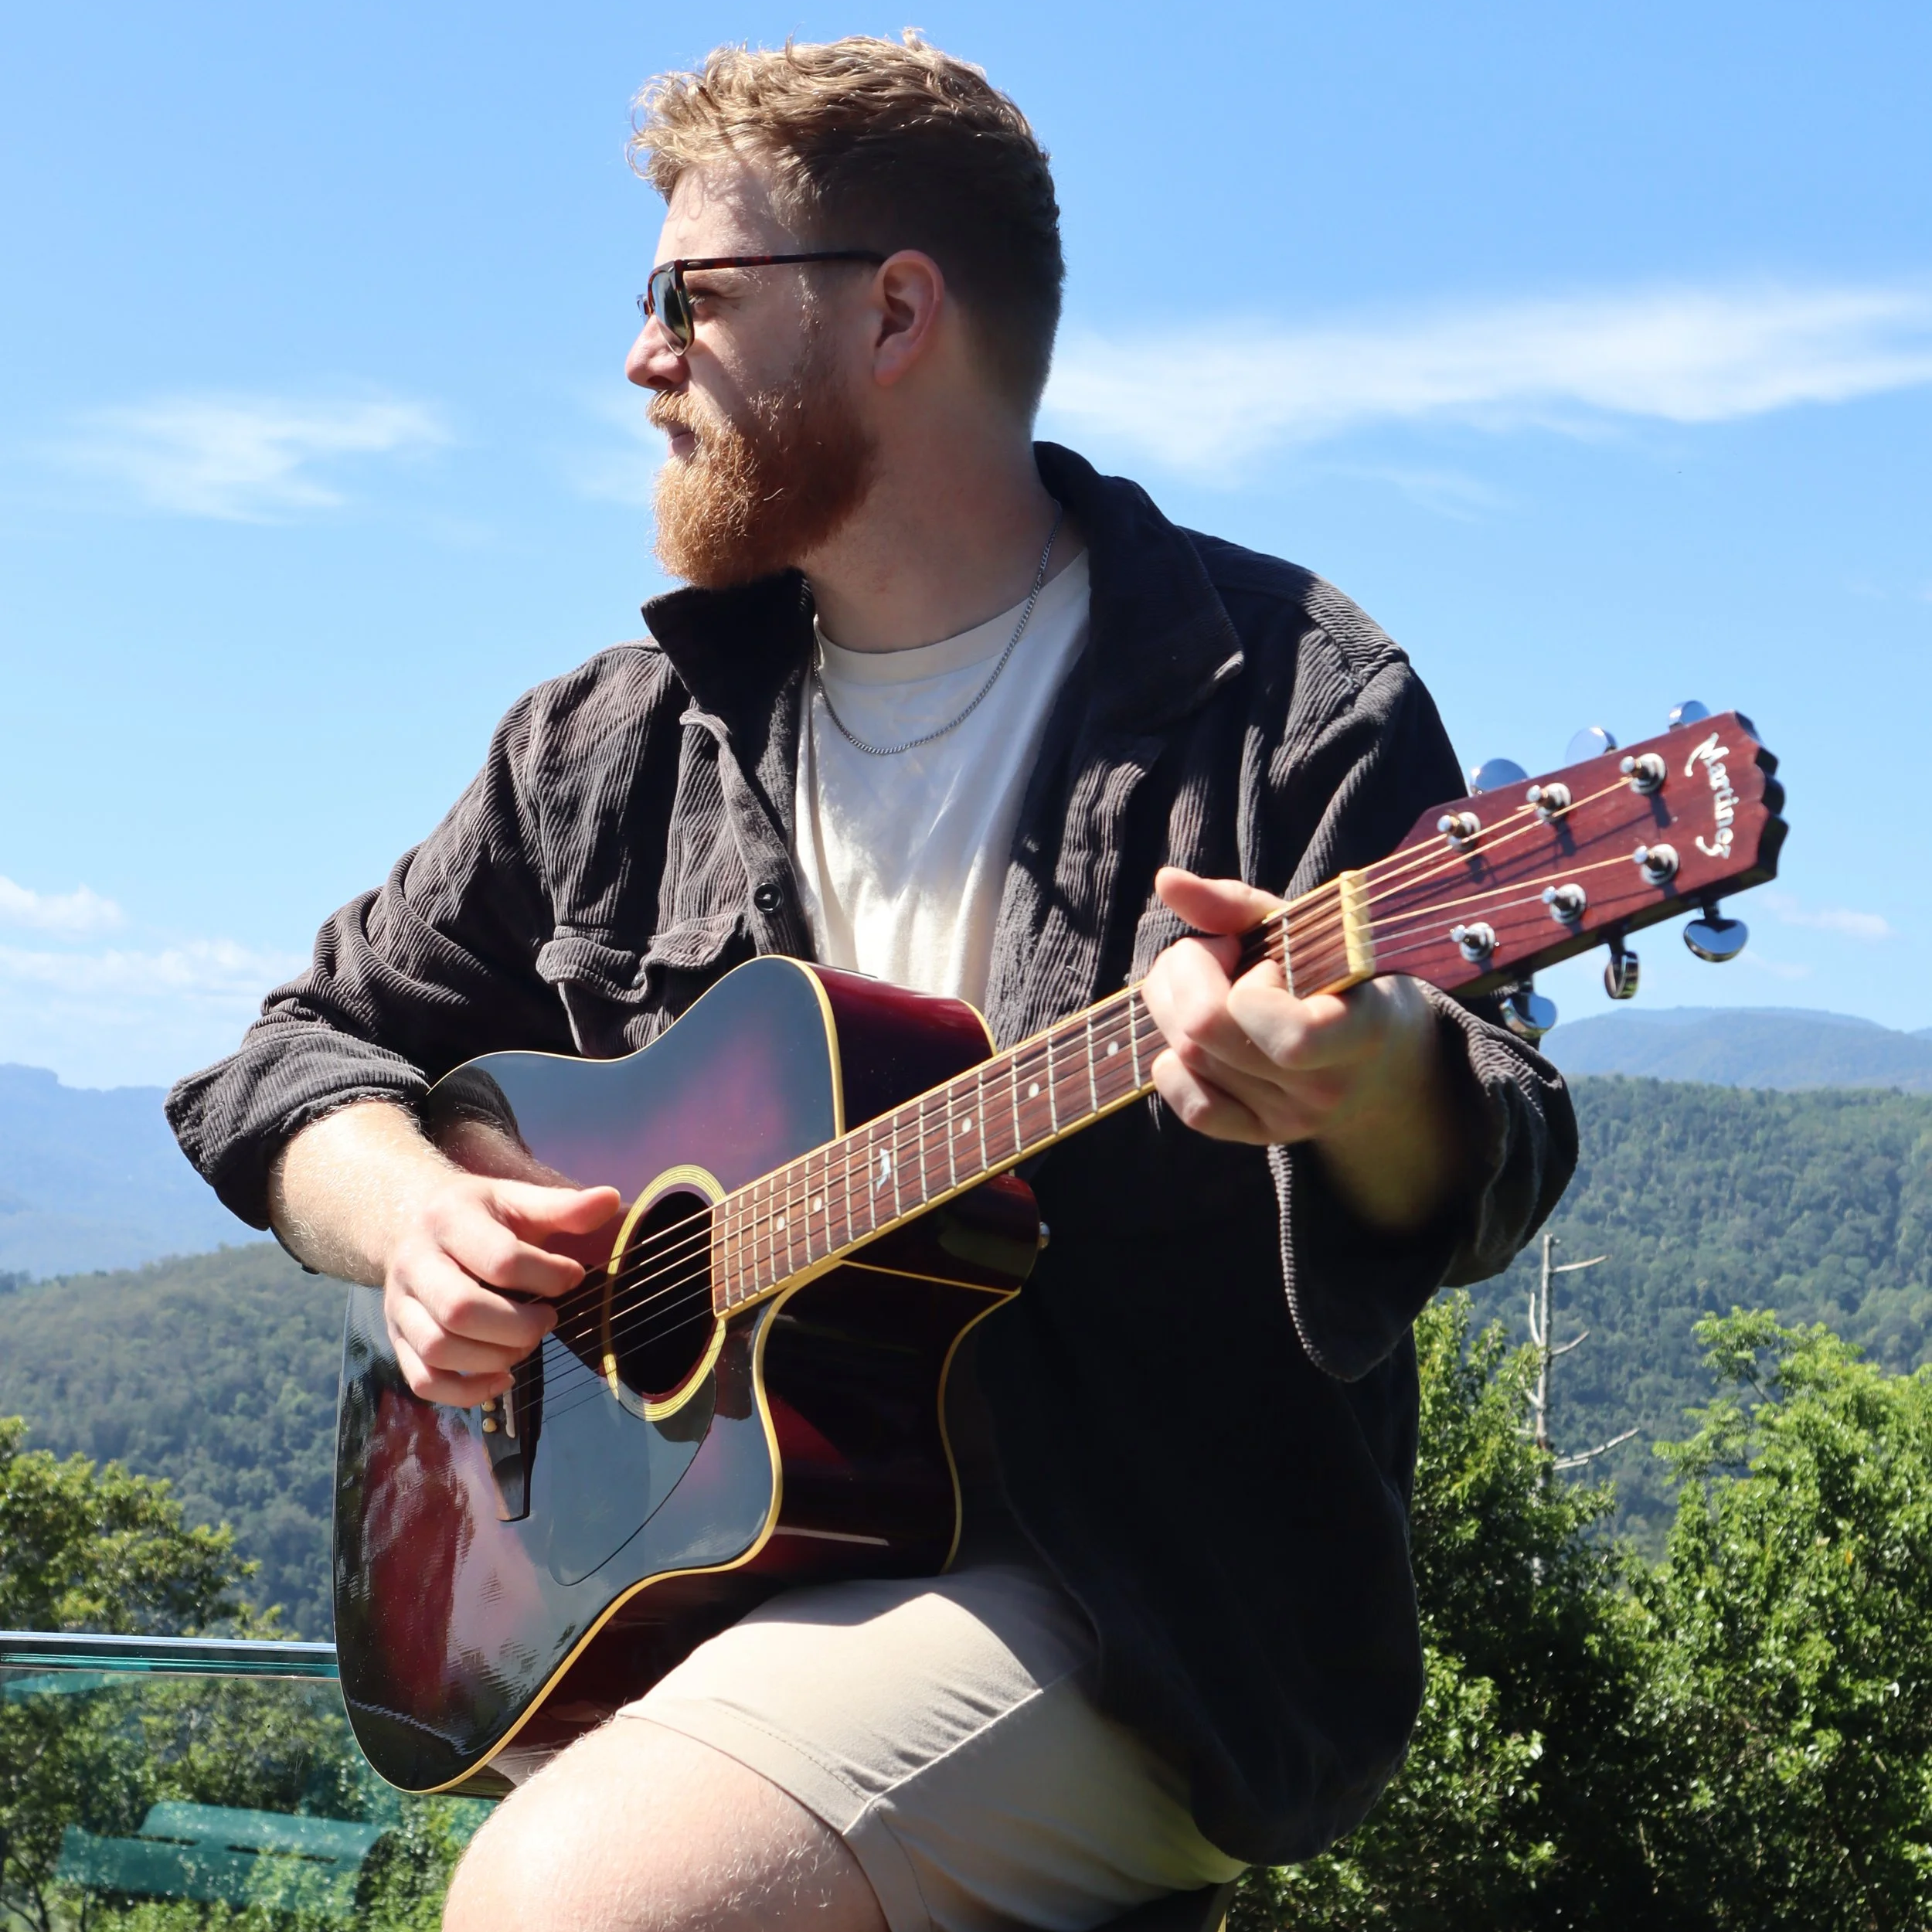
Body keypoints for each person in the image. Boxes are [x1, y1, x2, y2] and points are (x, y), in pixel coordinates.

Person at [168, 33, 1575, 1932]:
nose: (639, 355)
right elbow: (288, 1059)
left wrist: (1361, 1070)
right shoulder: (609, 743)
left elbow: (1485, 1143)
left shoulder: (1281, 695)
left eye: (687, 295)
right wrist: (411, 1214)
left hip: (1131, 1600)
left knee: (574, 1900)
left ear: (895, 311)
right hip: (715, 1574)